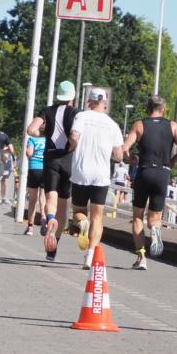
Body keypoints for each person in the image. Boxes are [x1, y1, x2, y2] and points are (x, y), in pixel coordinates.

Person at [121, 95, 177, 270]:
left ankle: (141, 257)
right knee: (155, 217)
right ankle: (155, 230)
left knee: (138, 216)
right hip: (162, 173)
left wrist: (131, 159)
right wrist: (173, 160)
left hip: (144, 171)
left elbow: (124, 149)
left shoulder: (139, 125)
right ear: (163, 109)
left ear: (147, 108)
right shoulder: (172, 126)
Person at [68, 88, 124, 269]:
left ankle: (82, 222)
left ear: (89, 102)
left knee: (78, 211)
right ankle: (90, 255)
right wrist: (111, 155)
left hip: (81, 172)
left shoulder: (82, 116)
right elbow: (119, 155)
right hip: (101, 175)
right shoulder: (113, 125)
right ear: (105, 103)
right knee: (97, 217)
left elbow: (74, 135)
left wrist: (73, 146)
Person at [26, 80, 79, 262]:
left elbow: (31, 129)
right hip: (68, 159)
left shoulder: (47, 111)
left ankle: (49, 219)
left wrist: (43, 134)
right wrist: (73, 145)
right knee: (63, 205)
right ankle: (53, 246)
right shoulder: (76, 113)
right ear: (72, 97)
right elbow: (76, 136)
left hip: (50, 157)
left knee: (51, 198)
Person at [23, 133, 46, 235]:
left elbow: (29, 153)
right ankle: (44, 218)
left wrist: (27, 153)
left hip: (34, 168)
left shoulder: (32, 139)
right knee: (43, 198)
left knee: (32, 199)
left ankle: (30, 227)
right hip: (45, 169)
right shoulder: (48, 139)